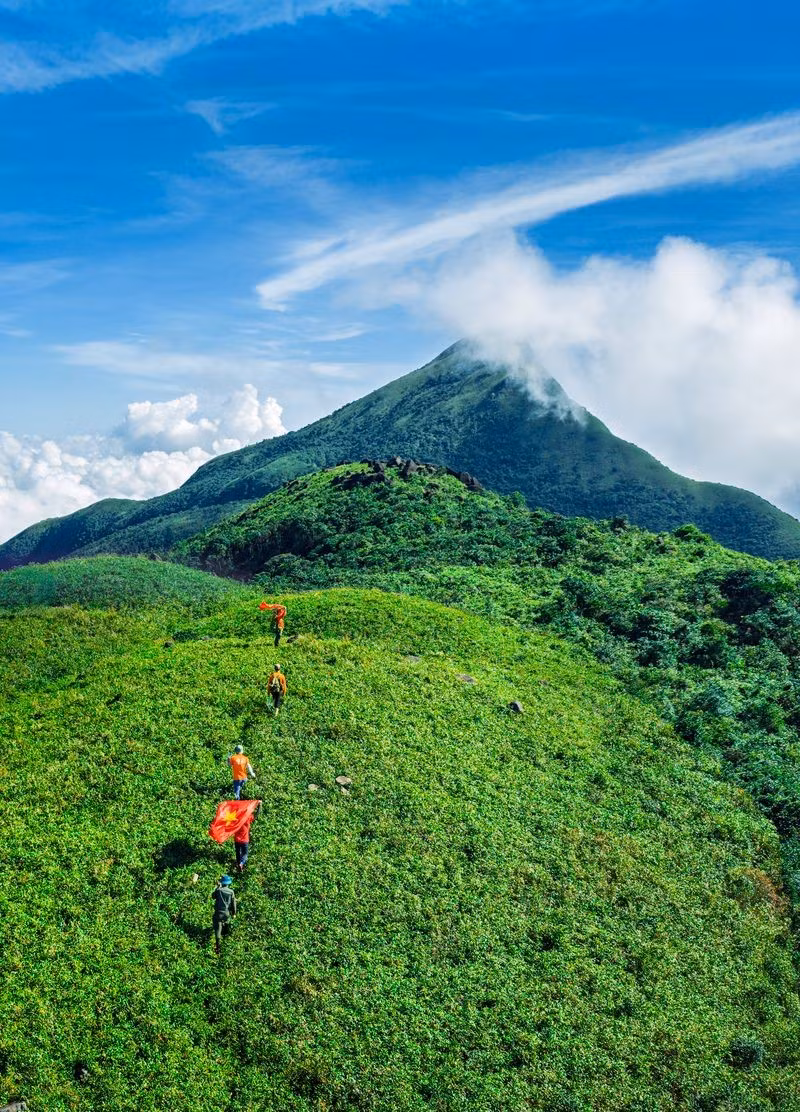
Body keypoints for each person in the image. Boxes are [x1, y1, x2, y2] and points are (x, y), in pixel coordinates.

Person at [211, 875, 237, 955]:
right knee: (226, 924)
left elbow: (213, 896)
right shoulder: (231, 892)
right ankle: (226, 938)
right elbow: (233, 903)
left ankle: (218, 947)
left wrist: (217, 887)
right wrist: (234, 913)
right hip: (226, 913)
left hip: (218, 913)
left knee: (217, 929)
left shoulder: (219, 890)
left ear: (222, 883)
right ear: (228, 883)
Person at [234, 802, 260, 872]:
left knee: (238, 853)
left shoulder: (236, 817)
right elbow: (256, 816)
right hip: (244, 840)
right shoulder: (248, 817)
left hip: (236, 840)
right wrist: (259, 806)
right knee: (245, 854)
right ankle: (241, 863)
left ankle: (238, 864)